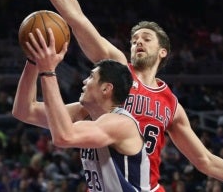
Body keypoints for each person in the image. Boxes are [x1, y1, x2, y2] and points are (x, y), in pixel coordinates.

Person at [1, 0, 223, 191]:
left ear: (163, 52)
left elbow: (206, 161)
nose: (137, 42)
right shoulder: (115, 70)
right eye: (134, 39)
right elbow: (76, 19)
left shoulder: (172, 106)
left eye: (146, 38)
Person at [13, 27, 151, 191]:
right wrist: (33, 61)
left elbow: (64, 136)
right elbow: (24, 110)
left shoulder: (121, 123)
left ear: (106, 89)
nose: (85, 81)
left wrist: (48, 71)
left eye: (92, 76)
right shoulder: (84, 113)